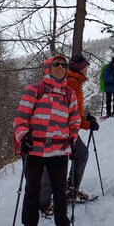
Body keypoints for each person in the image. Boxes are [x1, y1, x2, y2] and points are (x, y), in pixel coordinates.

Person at [13, 55, 80, 226]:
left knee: (60, 192)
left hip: (60, 151)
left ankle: (62, 222)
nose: (60, 67)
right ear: (48, 68)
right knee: (32, 191)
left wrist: (72, 139)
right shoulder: (34, 90)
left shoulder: (69, 94)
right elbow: (20, 119)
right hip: (35, 149)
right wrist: (23, 137)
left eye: (63, 65)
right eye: (56, 64)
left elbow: (74, 121)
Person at [39, 55, 99, 215]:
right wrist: (87, 124)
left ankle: (69, 190)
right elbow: (67, 113)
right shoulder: (72, 82)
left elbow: (75, 110)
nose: (87, 69)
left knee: (80, 155)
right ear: (79, 68)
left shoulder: (75, 81)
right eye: (85, 66)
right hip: (60, 131)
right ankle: (44, 202)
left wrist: (86, 119)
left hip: (67, 130)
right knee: (56, 162)